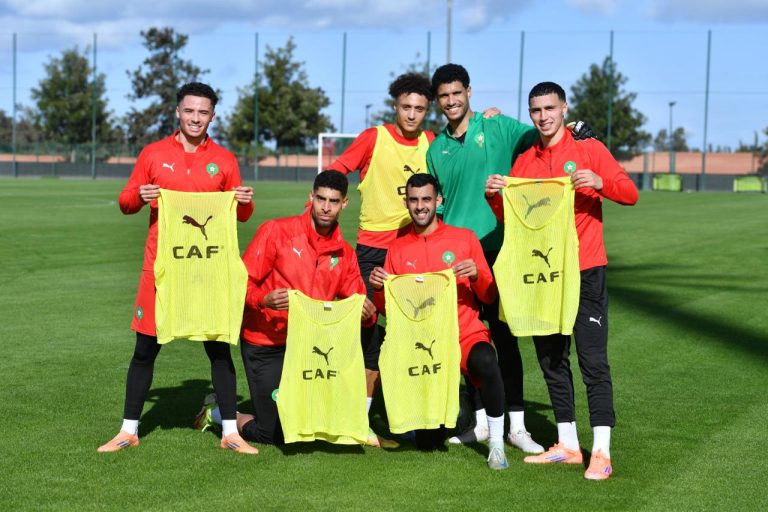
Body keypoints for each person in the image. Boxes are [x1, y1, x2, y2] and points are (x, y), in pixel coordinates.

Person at [485, 81, 638, 480]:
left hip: (586, 270)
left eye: (550, 108)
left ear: (564, 109)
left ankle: (601, 452)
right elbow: (513, 219)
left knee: (593, 361)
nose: (543, 117)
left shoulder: (589, 150)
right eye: (536, 110)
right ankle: (568, 444)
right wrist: (495, 196)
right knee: (551, 359)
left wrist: (600, 182)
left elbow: (630, 193)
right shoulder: (525, 162)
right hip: (545, 275)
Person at [98, 82, 257, 455]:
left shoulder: (225, 160)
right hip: (161, 269)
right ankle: (128, 430)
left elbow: (242, 215)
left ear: (212, 116)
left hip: (207, 269)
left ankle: (230, 432)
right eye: (189, 111)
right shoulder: (153, 154)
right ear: (178, 112)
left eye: (203, 112)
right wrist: (139, 196)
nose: (195, 118)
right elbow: (125, 201)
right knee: (145, 349)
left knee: (219, 349)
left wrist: (245, 200)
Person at [196, 171, 376, 445]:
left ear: (344, 204)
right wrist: (263, 300)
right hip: (266, 344)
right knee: (274, 433)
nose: (326, 207)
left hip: (309, 349)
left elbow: (357, 304)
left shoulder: (344, 254)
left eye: (334, 201)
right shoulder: (276, 232)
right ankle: (220, 413)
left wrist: (366, 314)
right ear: (311, 197)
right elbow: (239, 282)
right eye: (321, 199)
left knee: (311, 426)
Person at [426, 63, 544, 452]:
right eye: (444, 96)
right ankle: (479, 423)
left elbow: (543, 135)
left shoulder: (496, 126)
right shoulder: (436, 149)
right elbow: (440, 206)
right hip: (457, 258)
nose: (451, 101)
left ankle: (517, 428)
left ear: (469, 92)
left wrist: (575, 126)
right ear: (438, 101)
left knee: (505, 340)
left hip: (499, 251)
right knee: (464, 341)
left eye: (456, 93)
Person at [369, 173, 509, 470]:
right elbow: (389, 310)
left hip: (463, 333)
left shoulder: (464, 239)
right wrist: (379, 289)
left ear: (438, 201)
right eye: (414, 200)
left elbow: (489, 294)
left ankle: (496, 444)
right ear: (406, 202)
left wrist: (477, 275)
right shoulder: (397, 248)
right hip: (424, 343)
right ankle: (462, 409)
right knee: (428, 444)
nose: (420, 206)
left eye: (426, 199)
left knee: (486, 360)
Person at [324, 73, 435, 446]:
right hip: (372, 252)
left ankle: (414, 414)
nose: (412, 114)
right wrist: (326, 205)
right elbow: (337, 171)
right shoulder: (374, 138)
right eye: (406, 107)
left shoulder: (432, 142)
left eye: (419, 108)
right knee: (368, 329)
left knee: (415, 331)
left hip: (415, 250)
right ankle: (360, 418)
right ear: (395, 106)